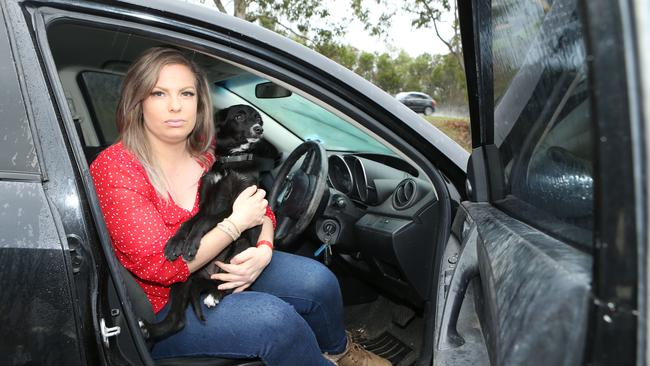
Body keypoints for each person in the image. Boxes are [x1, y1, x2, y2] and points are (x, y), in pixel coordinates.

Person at [90, 46, 391, 366]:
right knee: (276, 321)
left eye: (187, 93)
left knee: (319, 282)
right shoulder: (116, 167)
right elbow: (161, 267)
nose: (176, 106)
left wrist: (263, 250)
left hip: (223, 267)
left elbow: (263, 210)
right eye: (159, 93)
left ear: (199, 103)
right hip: (165, 305)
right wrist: (234, 225)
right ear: (138, 102)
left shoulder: (206, 156)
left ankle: (341, 352)